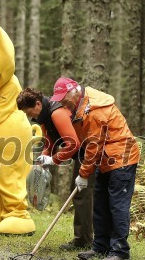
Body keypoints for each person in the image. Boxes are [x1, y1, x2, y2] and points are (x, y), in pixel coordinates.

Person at [49, 77, 140, 260]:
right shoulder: (80, 108)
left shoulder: (95, 112)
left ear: (74, 92)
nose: (63, 103)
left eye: (64, 99)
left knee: (117, 206)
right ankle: (100, 246)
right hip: (105, 160)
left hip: (122, 159)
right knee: (100, 204)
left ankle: (120, 251)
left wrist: (83, 174)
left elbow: (93, 146)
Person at [17, 87, 94, 250]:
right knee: (80, 194)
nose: (30, 117)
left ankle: (85, 241)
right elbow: (50, 143)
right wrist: (44, 157)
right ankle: (85, 239)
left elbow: (74, 144)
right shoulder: (44, 117)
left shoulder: (56, 113)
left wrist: (53, 159)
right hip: (82, 153)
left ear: (38, 104)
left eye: (29, 112)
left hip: (90, 151)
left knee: (82, 195)